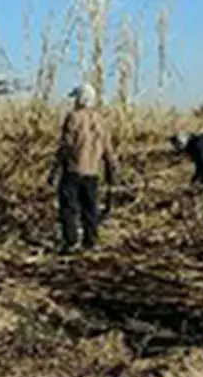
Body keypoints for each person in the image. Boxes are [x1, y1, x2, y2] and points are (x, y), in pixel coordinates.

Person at [48, 84, 118, 254]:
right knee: (90, 207)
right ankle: (91, 240)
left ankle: (71, 242)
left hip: (73, 170)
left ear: (79, 99)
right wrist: (111, 169)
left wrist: (54, 170)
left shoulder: (73, 118)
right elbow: (108, 149)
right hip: (92, 172)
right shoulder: (101, 121)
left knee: (69, 207)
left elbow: (66, 146)